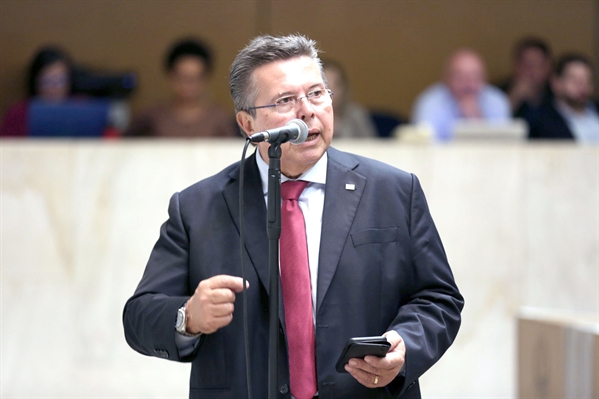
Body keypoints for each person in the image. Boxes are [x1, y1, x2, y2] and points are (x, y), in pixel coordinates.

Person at [123, 34, 464, 399]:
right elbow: (139, 317)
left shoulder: (393, 190)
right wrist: (188, 316)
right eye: (286, 100)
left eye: (317, 94)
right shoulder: (198, 207)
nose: (307, 111)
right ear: (248, 124)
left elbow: (439, 298)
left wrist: (404, 345)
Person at [125, 37, 239, 138]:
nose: (188, 86)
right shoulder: (151, 117)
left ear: (206, 78)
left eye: (194, 78)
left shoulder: (221, 119)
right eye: (182, 78)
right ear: (170, 76)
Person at [411, 48, 511, 141]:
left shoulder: (497, 101)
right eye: (460, 77)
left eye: (475, 77)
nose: (468, 84)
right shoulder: (430, 103)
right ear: (445, 79)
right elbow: (425, 147)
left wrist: (476, 122)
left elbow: (503, 145)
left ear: (485, 79)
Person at [0, 45, 73, 137]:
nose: (54, 89)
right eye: (47, 82)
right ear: (36, 82)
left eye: (60, 81)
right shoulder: (19, 113)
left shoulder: (82, 109)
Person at [529, 53, 599, 142]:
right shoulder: (541, 120)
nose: (582, 85)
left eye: (586, 79)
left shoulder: (596, 110)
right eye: (573, 79)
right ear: (556, 83)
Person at [497, 37, 554, 125]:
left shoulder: (556, 92)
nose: (533, 72)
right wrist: (514, 98)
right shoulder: (497, 93)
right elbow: (492, 126)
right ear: (516, 66)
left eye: (538, 65)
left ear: (548, 67)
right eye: (527, 65)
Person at [322, 59, 378, 138]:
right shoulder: (306, 114)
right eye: (326, 85)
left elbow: (371, 146)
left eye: (336, 85)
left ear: (344, 88)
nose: (332, 91)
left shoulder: (356, 115)